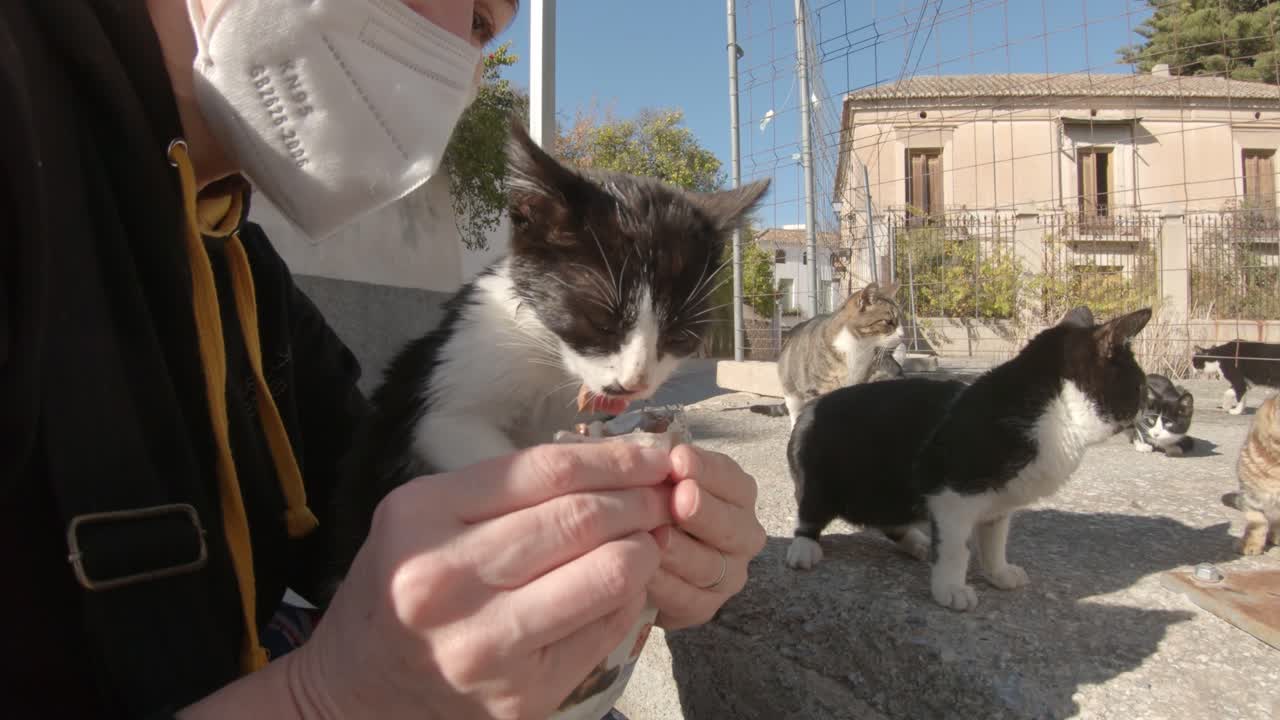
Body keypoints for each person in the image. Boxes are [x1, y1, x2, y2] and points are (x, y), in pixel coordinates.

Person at [0, 0, 767, 718]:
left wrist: (650, 551)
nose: (458, 68)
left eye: (481, 29)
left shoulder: (245, 271)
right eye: (471, 16)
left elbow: (366, 480)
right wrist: (317, 700)